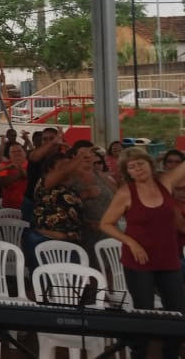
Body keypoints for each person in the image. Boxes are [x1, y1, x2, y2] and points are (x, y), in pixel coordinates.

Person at [99, 147, 185, 359]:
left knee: (177, 311)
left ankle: (170, 355)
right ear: (127, 172)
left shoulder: (165, 182)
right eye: (132, 166)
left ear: (150, 164)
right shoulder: (125, 193)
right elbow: (106, 223)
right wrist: (131, 243)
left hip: (168, 258)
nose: (138, 168)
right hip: (139, 261)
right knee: (143, 313)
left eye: (141, 163)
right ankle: (139, 355)